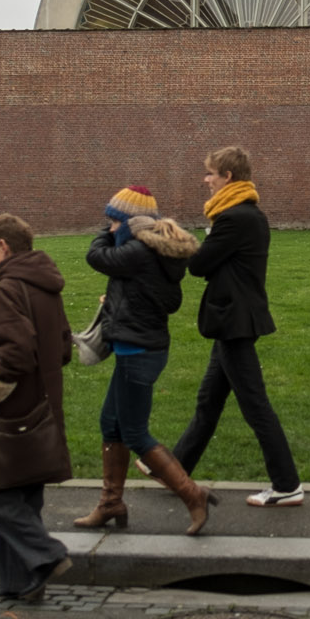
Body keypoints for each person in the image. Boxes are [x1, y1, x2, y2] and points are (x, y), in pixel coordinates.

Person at [160, 147, 304, 508]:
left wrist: (178, 240)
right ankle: (174, 471)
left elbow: (200, 265)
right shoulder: (246, 214)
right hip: (234, 320)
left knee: (255, 404)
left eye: (211, 174)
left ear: (228, 177)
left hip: (234, 322)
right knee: (209, 402)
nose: (205, 180)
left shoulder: (234, 218)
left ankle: (287, 485)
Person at [75, 185, 215, 534]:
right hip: (137, 348)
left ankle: (193, 495)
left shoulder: (138, 249)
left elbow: (97, 257)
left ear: (128, 222)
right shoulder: (152, 250)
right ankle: (111, 503)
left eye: (113, 221)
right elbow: (164, 300)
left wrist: (105, 232)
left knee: (135, 432)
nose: (108, 228)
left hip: (139, 353)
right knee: (111, 424)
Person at [0, 213, 75, 602]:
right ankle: (20, 583)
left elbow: (16, 354)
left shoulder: (7, 289)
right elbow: (62, 348)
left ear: (4, 246)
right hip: (44, 406)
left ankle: (46, 554)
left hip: (11, 410)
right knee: (24, 492)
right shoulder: (47, 285)